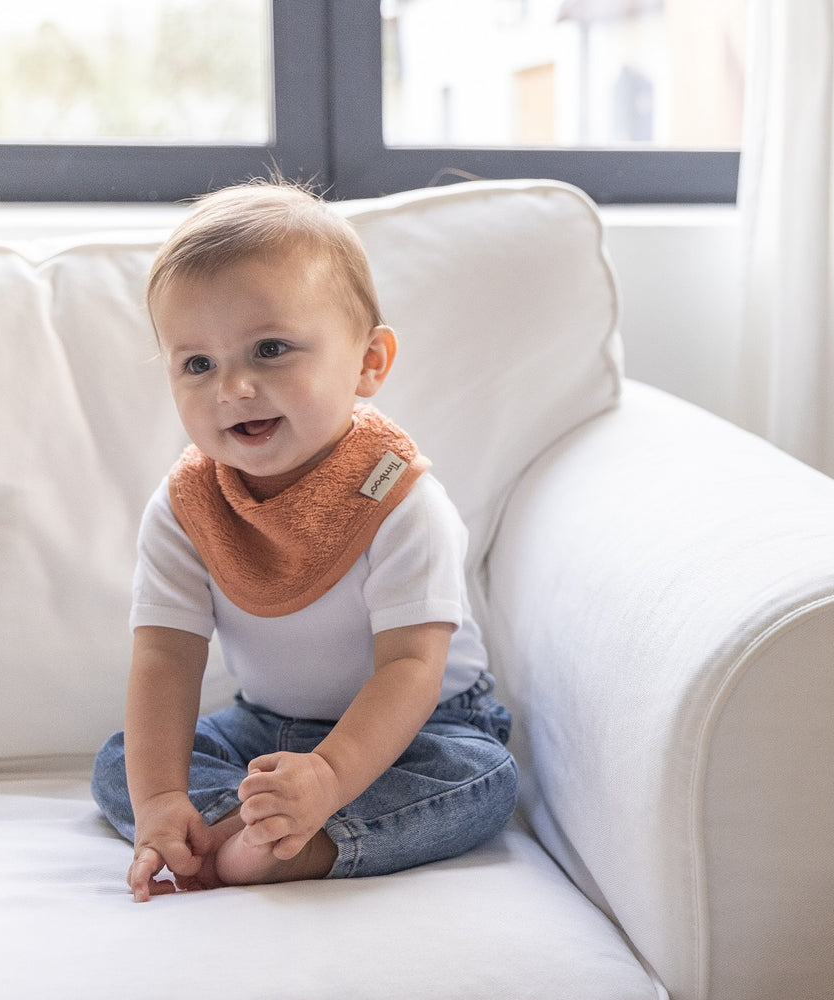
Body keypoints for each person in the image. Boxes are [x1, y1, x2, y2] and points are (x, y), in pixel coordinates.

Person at [91, 180, 518, 902]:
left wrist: (329, 776)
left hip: (422, 724)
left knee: (481, 781)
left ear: (368, 364)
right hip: (268, 728)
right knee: (126, 761)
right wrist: (161, 800)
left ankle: (307, 841)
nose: (234, 386)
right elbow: (165, 658)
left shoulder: (398, 500)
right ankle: (232, 823)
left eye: (270, 349)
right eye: (198, 363)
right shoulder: (185, 510)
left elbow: (412, 665)